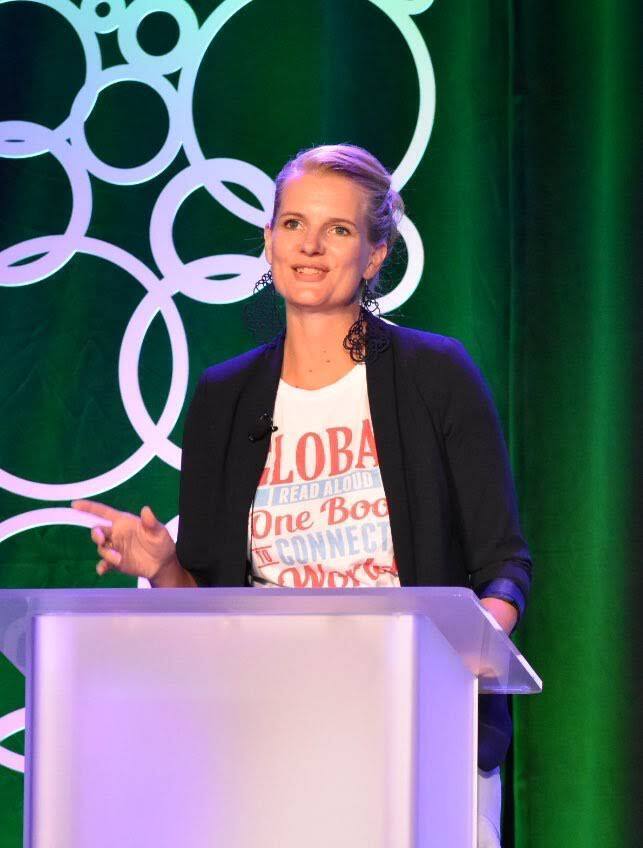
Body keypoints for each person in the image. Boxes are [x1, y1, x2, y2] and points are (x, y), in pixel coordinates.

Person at [72, 143, 531, 847]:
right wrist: (163, 568)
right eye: (293, 224)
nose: (310, 246)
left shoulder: (435, 374)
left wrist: (466, 654)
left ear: (375, 255)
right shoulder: (225, 397)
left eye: (338, 229)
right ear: (269, 241)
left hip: (421, 727)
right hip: (271, 733)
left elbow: (503, 564)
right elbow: (211, 604)